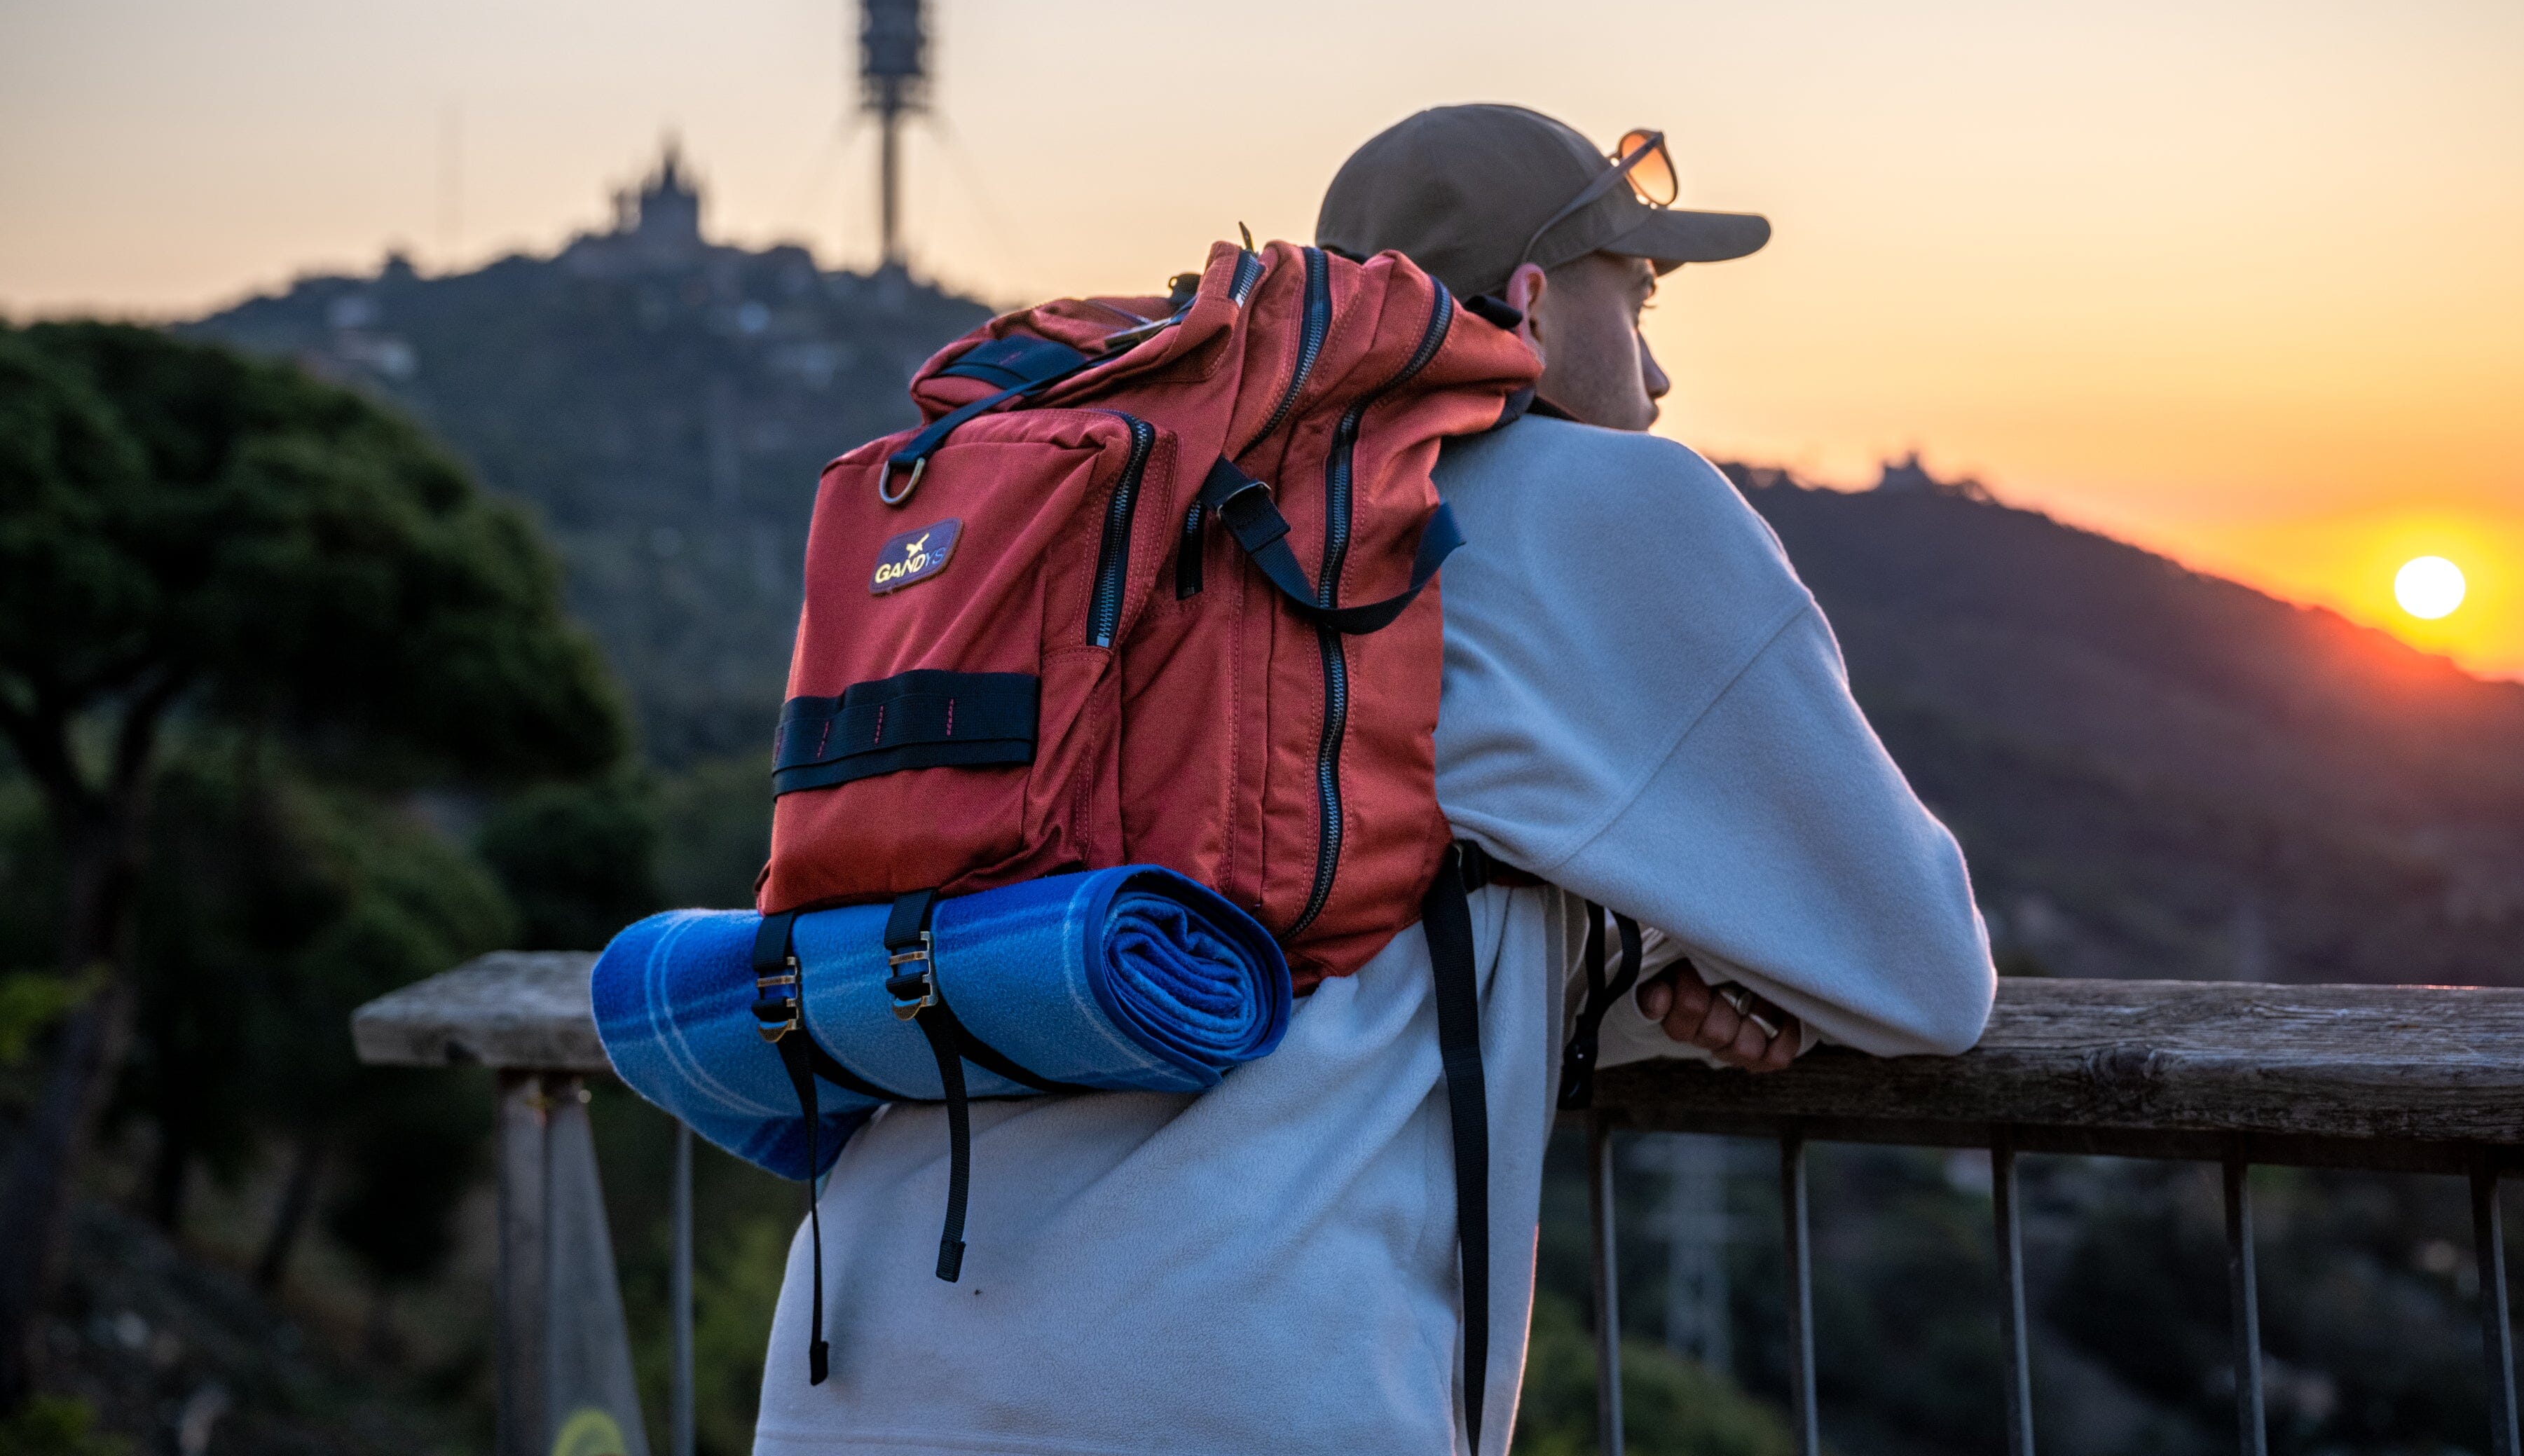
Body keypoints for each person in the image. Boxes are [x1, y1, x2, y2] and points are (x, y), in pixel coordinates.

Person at [752, 104, 1996, 1455]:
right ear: (1529, 303)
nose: (1659, 368)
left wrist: (1615, 984)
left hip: (861, 1351)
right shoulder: (1612, 503)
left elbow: (1300, 904)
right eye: (1635, 296)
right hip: (1227, 1381)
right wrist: (1715, 963)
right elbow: (1926, 975)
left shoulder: (1178, 506)